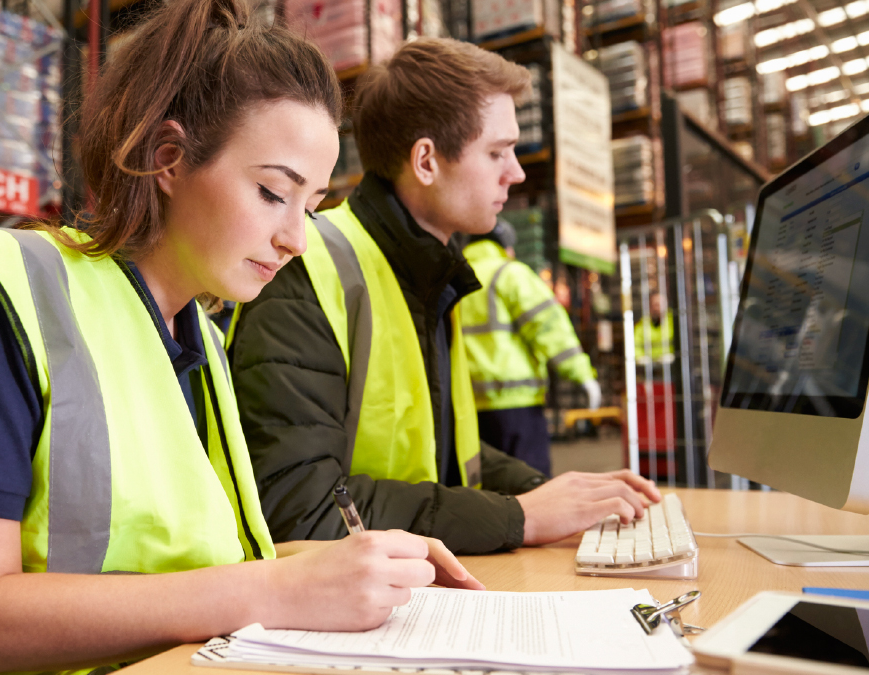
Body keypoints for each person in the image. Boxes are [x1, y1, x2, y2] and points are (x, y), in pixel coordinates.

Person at [0, 2, 482, 672]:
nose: (296, 238)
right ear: (168, 159)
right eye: (271, 193)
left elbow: (199, 568)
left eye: (311, 205)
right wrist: (275, 585)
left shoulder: (197, 339)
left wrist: (354, 561)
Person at [228, 38, 660, 557]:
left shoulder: (430, 275)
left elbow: (449, 460)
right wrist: (518, 516)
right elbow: (301, 508)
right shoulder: (306, 269)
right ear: (427, 161)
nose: (516, 172)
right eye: (497, 151)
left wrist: (558, 493)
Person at [459, 219, 601, 477]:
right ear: (506, 247)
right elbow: (548, 326)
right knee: (529, 482)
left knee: (485, 488)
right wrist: (583, 375)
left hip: (467, 407)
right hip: (516, 403)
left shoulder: (453, 277)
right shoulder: (509, 273)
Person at [635, 291, 675, 363]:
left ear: (666, 305)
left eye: (659, 304)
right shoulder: (643, 322)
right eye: (654, 304)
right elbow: (635, 343)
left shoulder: (674, 320)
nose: (657, 308)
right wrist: (640, 357)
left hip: (671, 362)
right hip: (649, 364)